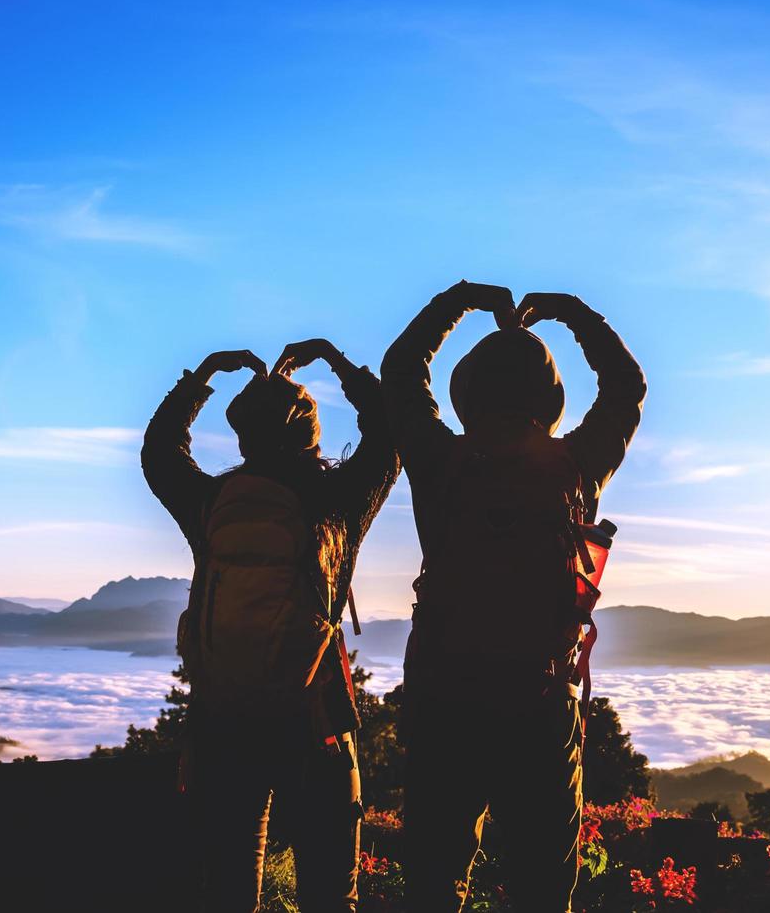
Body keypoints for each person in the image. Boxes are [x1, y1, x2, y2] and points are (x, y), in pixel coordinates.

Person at [381, 280, 647, 912]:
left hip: (445, 696)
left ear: (464, 395)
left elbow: (400, 371)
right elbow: (625, 389)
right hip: (539, 700)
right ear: (552, 400)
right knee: (540, 888)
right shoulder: (576, 466)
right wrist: (574, 314)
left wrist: (460, 301)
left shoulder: (439, 459)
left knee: (432, 882)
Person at [140, 340, 400, 913]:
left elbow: (160, 453)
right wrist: (335, 361)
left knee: (232, 890)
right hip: (316, 719)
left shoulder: (212, 501)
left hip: (223, 718)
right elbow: (388, 438)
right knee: (331, 894)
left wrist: (202, 374)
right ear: (311, 432)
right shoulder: (334, 502)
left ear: (242, 436)